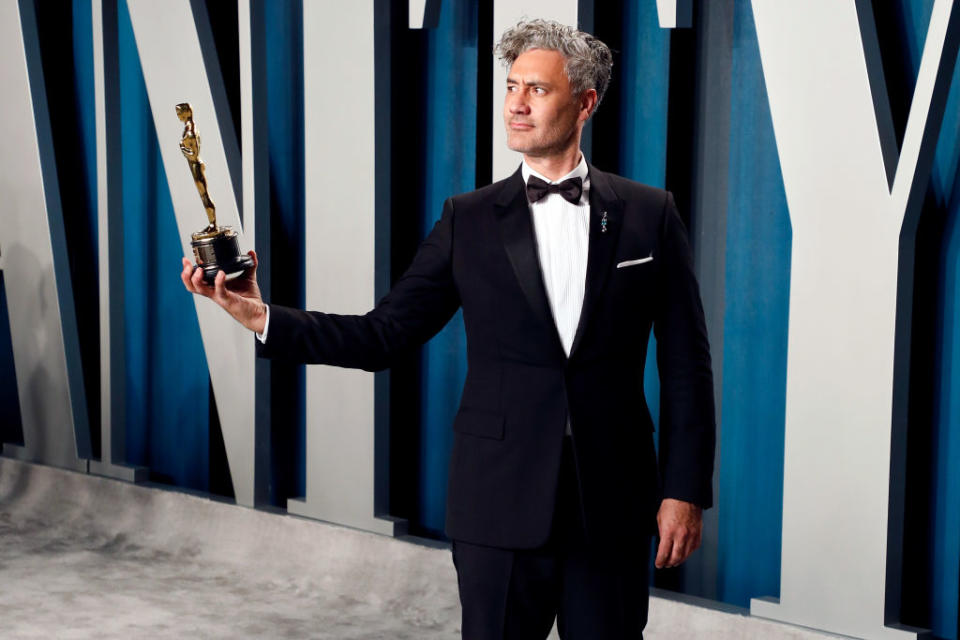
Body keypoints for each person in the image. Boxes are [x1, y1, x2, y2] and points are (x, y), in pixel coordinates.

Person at [181, 18, 715, 640]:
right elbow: (383, 336)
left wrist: (684, 490)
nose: (515, 102)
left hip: (614, 503)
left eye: (537, 90)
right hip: (497, 503)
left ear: (586, 103)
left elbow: (687, 366)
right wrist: (259, 316)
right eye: (512, 86)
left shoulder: (651, 214)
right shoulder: (468, 221)